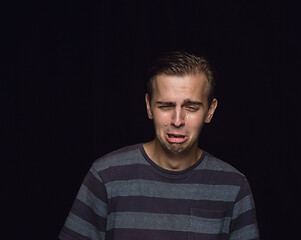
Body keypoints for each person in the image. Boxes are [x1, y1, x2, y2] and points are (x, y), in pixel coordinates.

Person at [59, 51, 260, 240]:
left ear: (210, 110)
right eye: (166, 106)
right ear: (149, 106)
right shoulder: (105, 176)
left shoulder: (234, 187)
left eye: (191, 107)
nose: (178, 120)